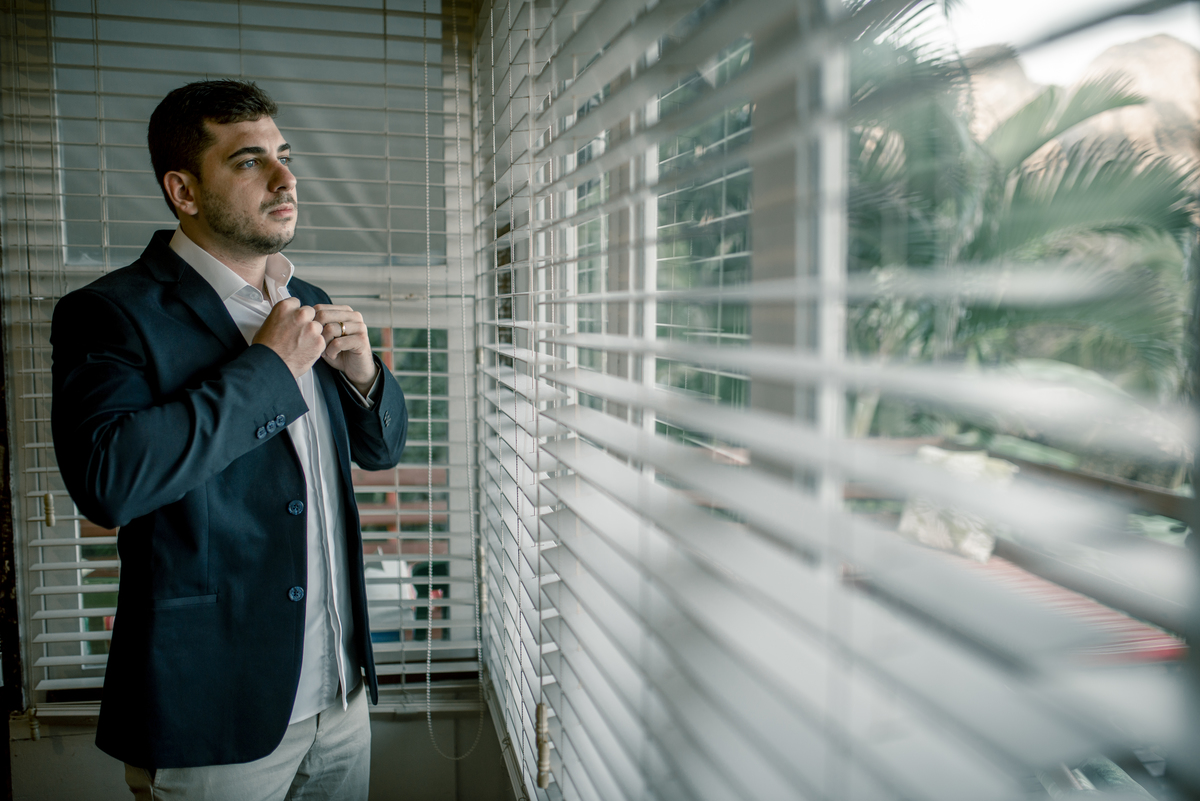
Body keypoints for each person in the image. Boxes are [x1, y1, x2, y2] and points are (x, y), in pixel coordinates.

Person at [50, 79, 407, 800]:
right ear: (183, 190)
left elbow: (379, 451)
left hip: (338, 698)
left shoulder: (299, 296)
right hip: (211, 714)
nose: (285, 177)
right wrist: (268, 371)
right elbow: (108, 480)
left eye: (283, 154)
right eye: (249, 161)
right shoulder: (110, 314)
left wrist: (366, 374)